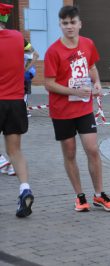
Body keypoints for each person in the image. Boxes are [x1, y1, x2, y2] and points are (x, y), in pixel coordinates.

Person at [44, 5, 110, 212]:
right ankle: (79, 196)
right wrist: (74, 92)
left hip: (84, 110)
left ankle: (98, 195)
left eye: (72, 23)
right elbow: (49, 83)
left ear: (79, 24)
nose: (69, 27)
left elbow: (92, 67)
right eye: (65, 23)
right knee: (70, 153)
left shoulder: (88, 44)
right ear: (60, 25)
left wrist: (96, 84)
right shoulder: (53, 51)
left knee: (93, 150)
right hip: (61, 111)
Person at [0, 2, 34, 217]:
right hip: (15, 101)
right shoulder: (17, 38)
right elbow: (32, 56)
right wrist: (20, 71)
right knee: (15, 151)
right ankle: (25, 188)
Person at [23, 39, 39, 117]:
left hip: (26, 74)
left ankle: (24, 111)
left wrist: (25, 69)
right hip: (25, 73)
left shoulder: (20, 41)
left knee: (23, 93)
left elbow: (35, 54)